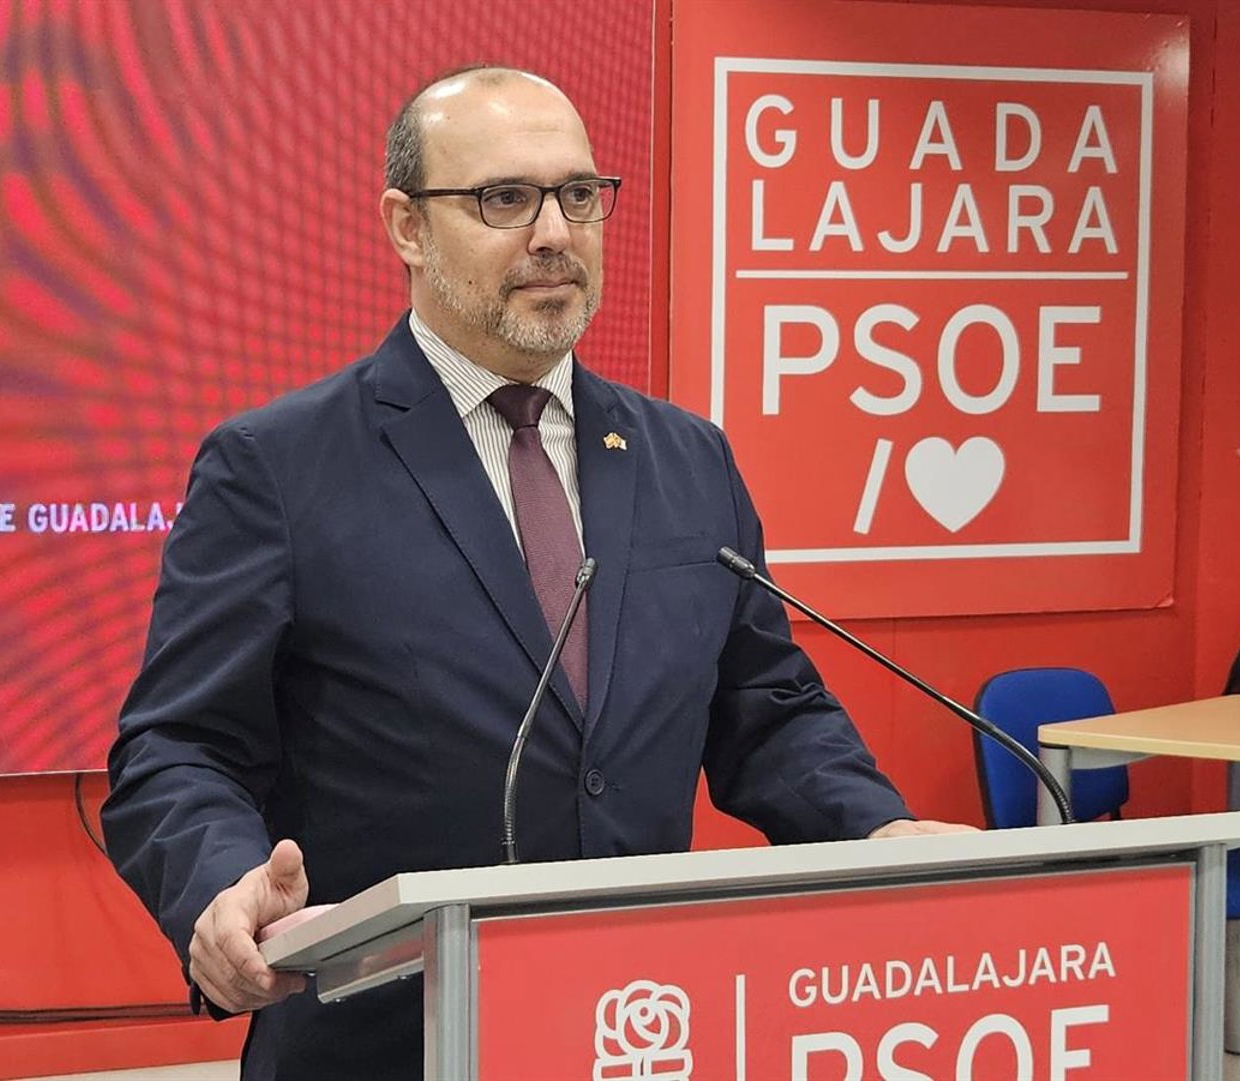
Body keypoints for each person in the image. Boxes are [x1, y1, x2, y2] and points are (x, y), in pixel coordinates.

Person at [102, 65, 973, 1081]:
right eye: (505, 199)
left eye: (579, 195)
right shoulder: (279, 467)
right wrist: (219, 885)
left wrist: (878, 825)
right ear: (407, 227)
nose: (555, 233)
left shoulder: (687, 458)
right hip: (384, 1038)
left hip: (643, 1031)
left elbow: (766, 706)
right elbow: (178, 744)